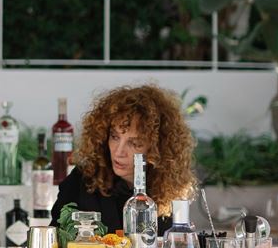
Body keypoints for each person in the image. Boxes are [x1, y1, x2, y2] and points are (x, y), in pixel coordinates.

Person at [50, 83, 197, 233]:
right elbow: (53, 241)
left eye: (134, 143)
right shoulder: (82, 180)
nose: (119, 152)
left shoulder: (168, 191)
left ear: (157, 148)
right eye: (114, 137)